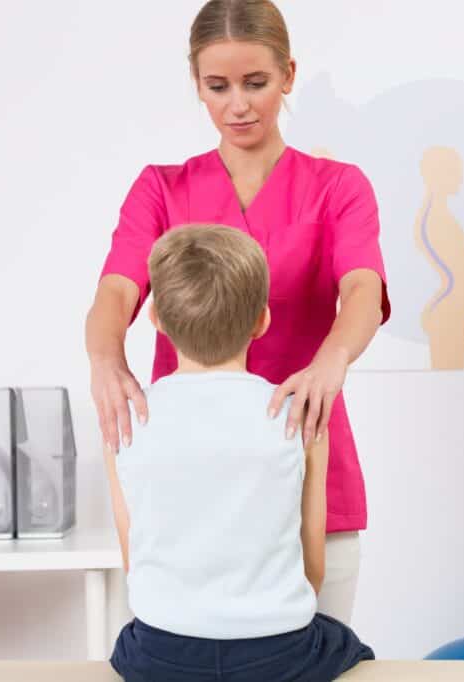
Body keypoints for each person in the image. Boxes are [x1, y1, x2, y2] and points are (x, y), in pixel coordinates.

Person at [86, 0, 389, 623]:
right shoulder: (162, 188)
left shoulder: (337, 187)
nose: (238, 105)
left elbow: (362, 287)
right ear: (195, 82)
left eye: (256, 83)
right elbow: (116, 291)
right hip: (188, 473)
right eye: (217, 86)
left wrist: (332, 360)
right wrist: (104, 360)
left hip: (303, 448)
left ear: (289, 75)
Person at [102, 225, 375, 682]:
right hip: (278, 654)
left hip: (161, 655)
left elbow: (136, 561)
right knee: (350, 647)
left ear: (156, 319)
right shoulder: (298, 418)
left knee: (128, 643)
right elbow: (312, 571)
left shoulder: (126, 419)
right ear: (262, 320)